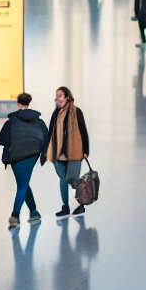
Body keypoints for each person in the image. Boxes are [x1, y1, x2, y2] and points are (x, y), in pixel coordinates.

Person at [0, 91, 47, 226]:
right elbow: (46, 137)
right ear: (28, 103)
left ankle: (15, 215)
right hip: (32, 155)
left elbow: (1, 140)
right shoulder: (38, 120)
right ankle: (33, 212)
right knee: (23, 184)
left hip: (15, 157)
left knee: (22, 186)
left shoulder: (12, 121)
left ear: (18, 103)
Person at [44, 86, 90, 218]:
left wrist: (86, 150)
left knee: (72, 179)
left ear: (67, 97)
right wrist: (46, 150)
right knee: (63, 179)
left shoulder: (77, 112)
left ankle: (81, 202)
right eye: (56, 95)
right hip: (58, 153)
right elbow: (50, 132)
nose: (57, 98)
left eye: (60, 95)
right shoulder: (56, 113)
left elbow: (83, 131)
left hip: (74, 152)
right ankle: (65, 206)